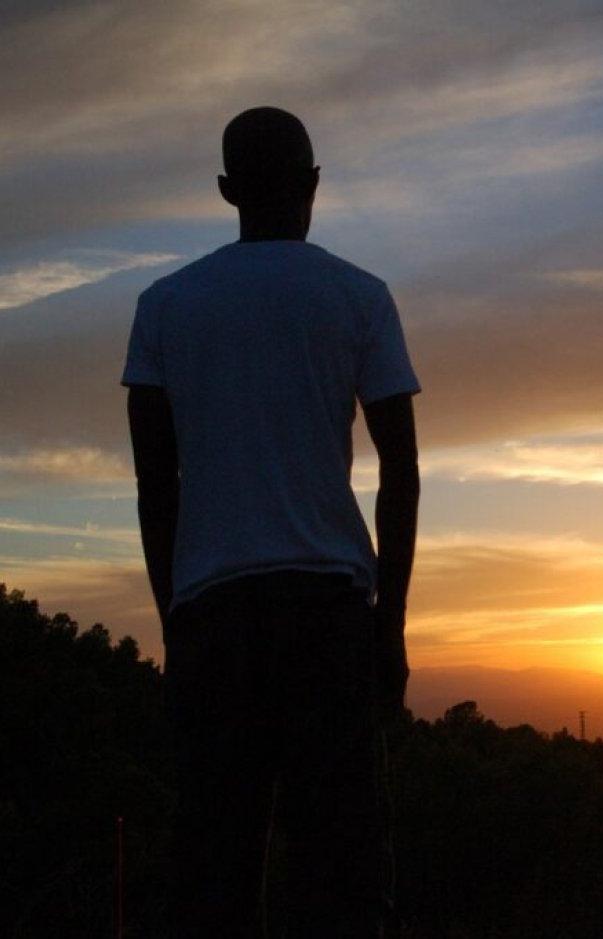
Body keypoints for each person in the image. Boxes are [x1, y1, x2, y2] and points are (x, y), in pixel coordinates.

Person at [121, 106, 421, 938]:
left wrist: (174, 625)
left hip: (214, 621)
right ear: (314, 184)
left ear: (226, 191)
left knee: (212, 873)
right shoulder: (359, 296)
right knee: (341, 876)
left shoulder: (163, 305)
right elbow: (402, 468)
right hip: (328, 619)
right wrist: (387, 630)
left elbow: (157, 484)